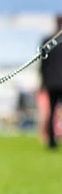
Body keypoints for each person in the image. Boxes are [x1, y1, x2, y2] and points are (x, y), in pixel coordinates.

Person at [40, 15, 62, 150]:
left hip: (52, 82)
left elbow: (43, 65)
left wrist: (43, 82)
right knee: (53, 111)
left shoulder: (47, 41)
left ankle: (51, 141)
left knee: (52, 111)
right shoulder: (47, 41)